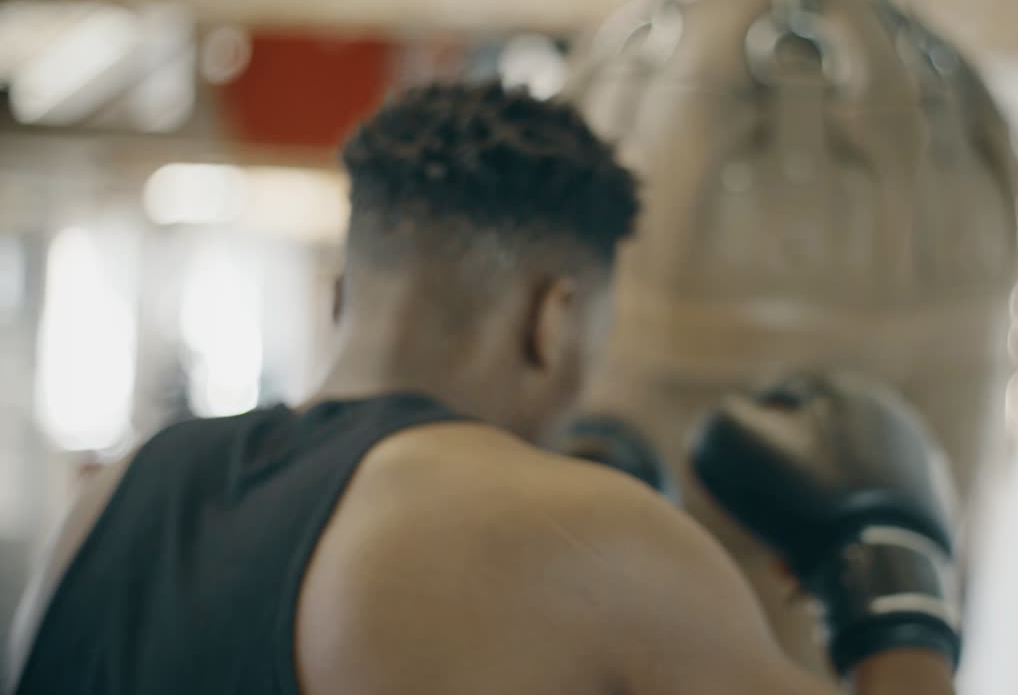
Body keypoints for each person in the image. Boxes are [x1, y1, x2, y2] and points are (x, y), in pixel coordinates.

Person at [5, 83, 956, 695]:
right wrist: (896, 576)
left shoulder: (113, 496)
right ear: (554, 320)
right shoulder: (585, 532)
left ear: (343, 296)